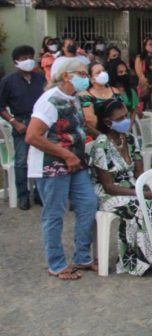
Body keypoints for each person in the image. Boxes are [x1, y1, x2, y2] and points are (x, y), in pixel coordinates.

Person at [25, 58, 97, 280]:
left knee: (88, 204)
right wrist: (65, 154)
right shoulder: (50, 101)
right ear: (66, 76)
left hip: (75, 164)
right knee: (54, 214)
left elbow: (79, 127)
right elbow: (32, 136)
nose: (86, 78)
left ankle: (82, 256)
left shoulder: (74, 98)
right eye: (81, 74)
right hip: (52, 166)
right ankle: (56, 264)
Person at [89, 99, 152, 275]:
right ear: (108, 123)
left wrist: (147, 188)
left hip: (131, 185)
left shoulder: (129, 139)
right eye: (120, 119)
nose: (126, 121)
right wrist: (139, 194)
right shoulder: (101, 145)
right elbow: (108, 187)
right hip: (109, 193)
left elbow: (139, 172)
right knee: (143, 206)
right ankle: (140, 259)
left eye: (126, 116)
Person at [0, 45, 46, 209]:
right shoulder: (8, 81)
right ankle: (23, 196)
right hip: (21, 122)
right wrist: (14, 122)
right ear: (16, 62)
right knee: (21, 160)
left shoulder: (40, 78)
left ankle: (40, 194)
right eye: (23, 58)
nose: (28, 61)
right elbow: (1, 106)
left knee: (42, 158)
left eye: (30, 57)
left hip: (40, 120)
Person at [78, 62, 121, 138]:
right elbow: (89, 122)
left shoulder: (115, 91)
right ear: (91, 78)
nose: (103, 74)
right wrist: (103, 137)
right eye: (98, 72)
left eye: (103, 71)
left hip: (119, 132)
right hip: (98, 136)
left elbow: (123, 112)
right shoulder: (86, 96)